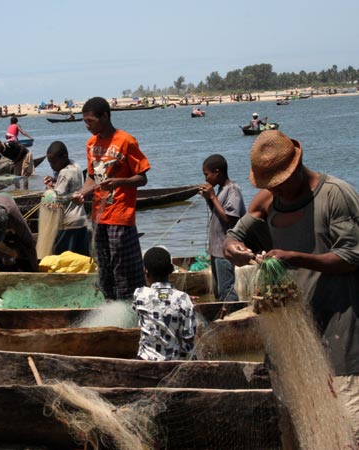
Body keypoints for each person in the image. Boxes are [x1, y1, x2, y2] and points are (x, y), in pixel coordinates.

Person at [223, 130, 359, 438]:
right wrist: (231, 247)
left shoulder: (335, 194)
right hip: (292, 335)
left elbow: (352, 256)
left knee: (349, 425)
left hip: (341, 331)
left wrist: (296, 258)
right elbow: (235, 235)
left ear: (297, 167)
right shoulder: (268, 199)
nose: (276, 191)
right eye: (270, 186)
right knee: (295, 427)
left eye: (280, 183)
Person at [72, 96, 150, 301]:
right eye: (85, 121)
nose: (87, 126)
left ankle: (129, 310)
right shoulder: (91, 144)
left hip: (120, 216)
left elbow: (142, 178)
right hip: (99, 216)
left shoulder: (126, 141)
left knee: (123, 270)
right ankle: (109, 307)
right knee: (104, 269)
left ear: (105, 116)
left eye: (90, 121)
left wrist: (119, 182)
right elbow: (92, 176)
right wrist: (82, 192)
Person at [133, 246, 197, 361]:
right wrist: (187, 305)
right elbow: (189, 336)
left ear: (145, 272)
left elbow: (154, 304)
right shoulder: (183, 298)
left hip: (145, 359)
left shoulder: (139, 294)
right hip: (174, 361)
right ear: (171, 270)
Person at [199, 154, 245, 302]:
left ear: (217, 172)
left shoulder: (233, 190)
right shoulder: (220, 190)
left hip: (225, 250)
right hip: (216, 250)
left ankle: (234, 317)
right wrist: (209, 199)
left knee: (227, 289)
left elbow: (230, 219)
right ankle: (224, 315)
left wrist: (212, 196)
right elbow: (217, 212)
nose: (206, 179)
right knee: (218, 290)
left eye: (207, 174)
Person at [43, 141, 91, 256]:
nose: (51, 165)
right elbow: (72, 187)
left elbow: (57, 198)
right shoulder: (76, 166)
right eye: (49, 162)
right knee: (81, 258)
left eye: (53, 162)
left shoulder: (64, 173)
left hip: (67, 223)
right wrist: (55, 180)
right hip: (81, 220)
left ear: (64, 157)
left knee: (63, 259)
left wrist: (49, 189)